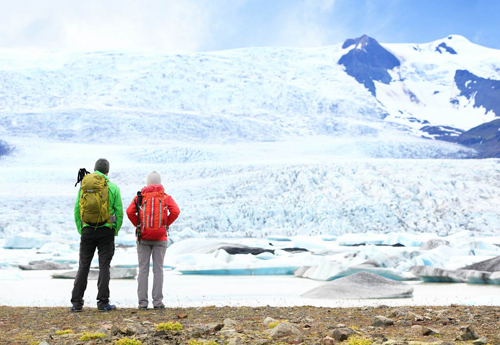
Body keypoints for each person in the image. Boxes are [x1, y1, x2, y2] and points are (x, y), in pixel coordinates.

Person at [71, 158, 123, 312]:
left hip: (87, 229)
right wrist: (114, 230)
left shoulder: (84, 186)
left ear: (95, 169)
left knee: (83, 266)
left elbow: (76, 210)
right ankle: (102, 303)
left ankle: (76, 303)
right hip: (106, 231)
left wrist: (82, 229)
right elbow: (119, 212)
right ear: (107, 171)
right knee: (104, 266)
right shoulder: (113, 187)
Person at [126, 171, 180, 310]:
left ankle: (142, 303)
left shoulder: (140, 197)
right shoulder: (166, 197)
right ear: (160, 183)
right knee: (158, 270)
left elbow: (129, 212)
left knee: (143, 270)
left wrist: (139, 225)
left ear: (147, 183)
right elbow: (175, 211)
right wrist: (165, 224)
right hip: (160, 238)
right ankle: (157, 302)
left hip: (143, 237)